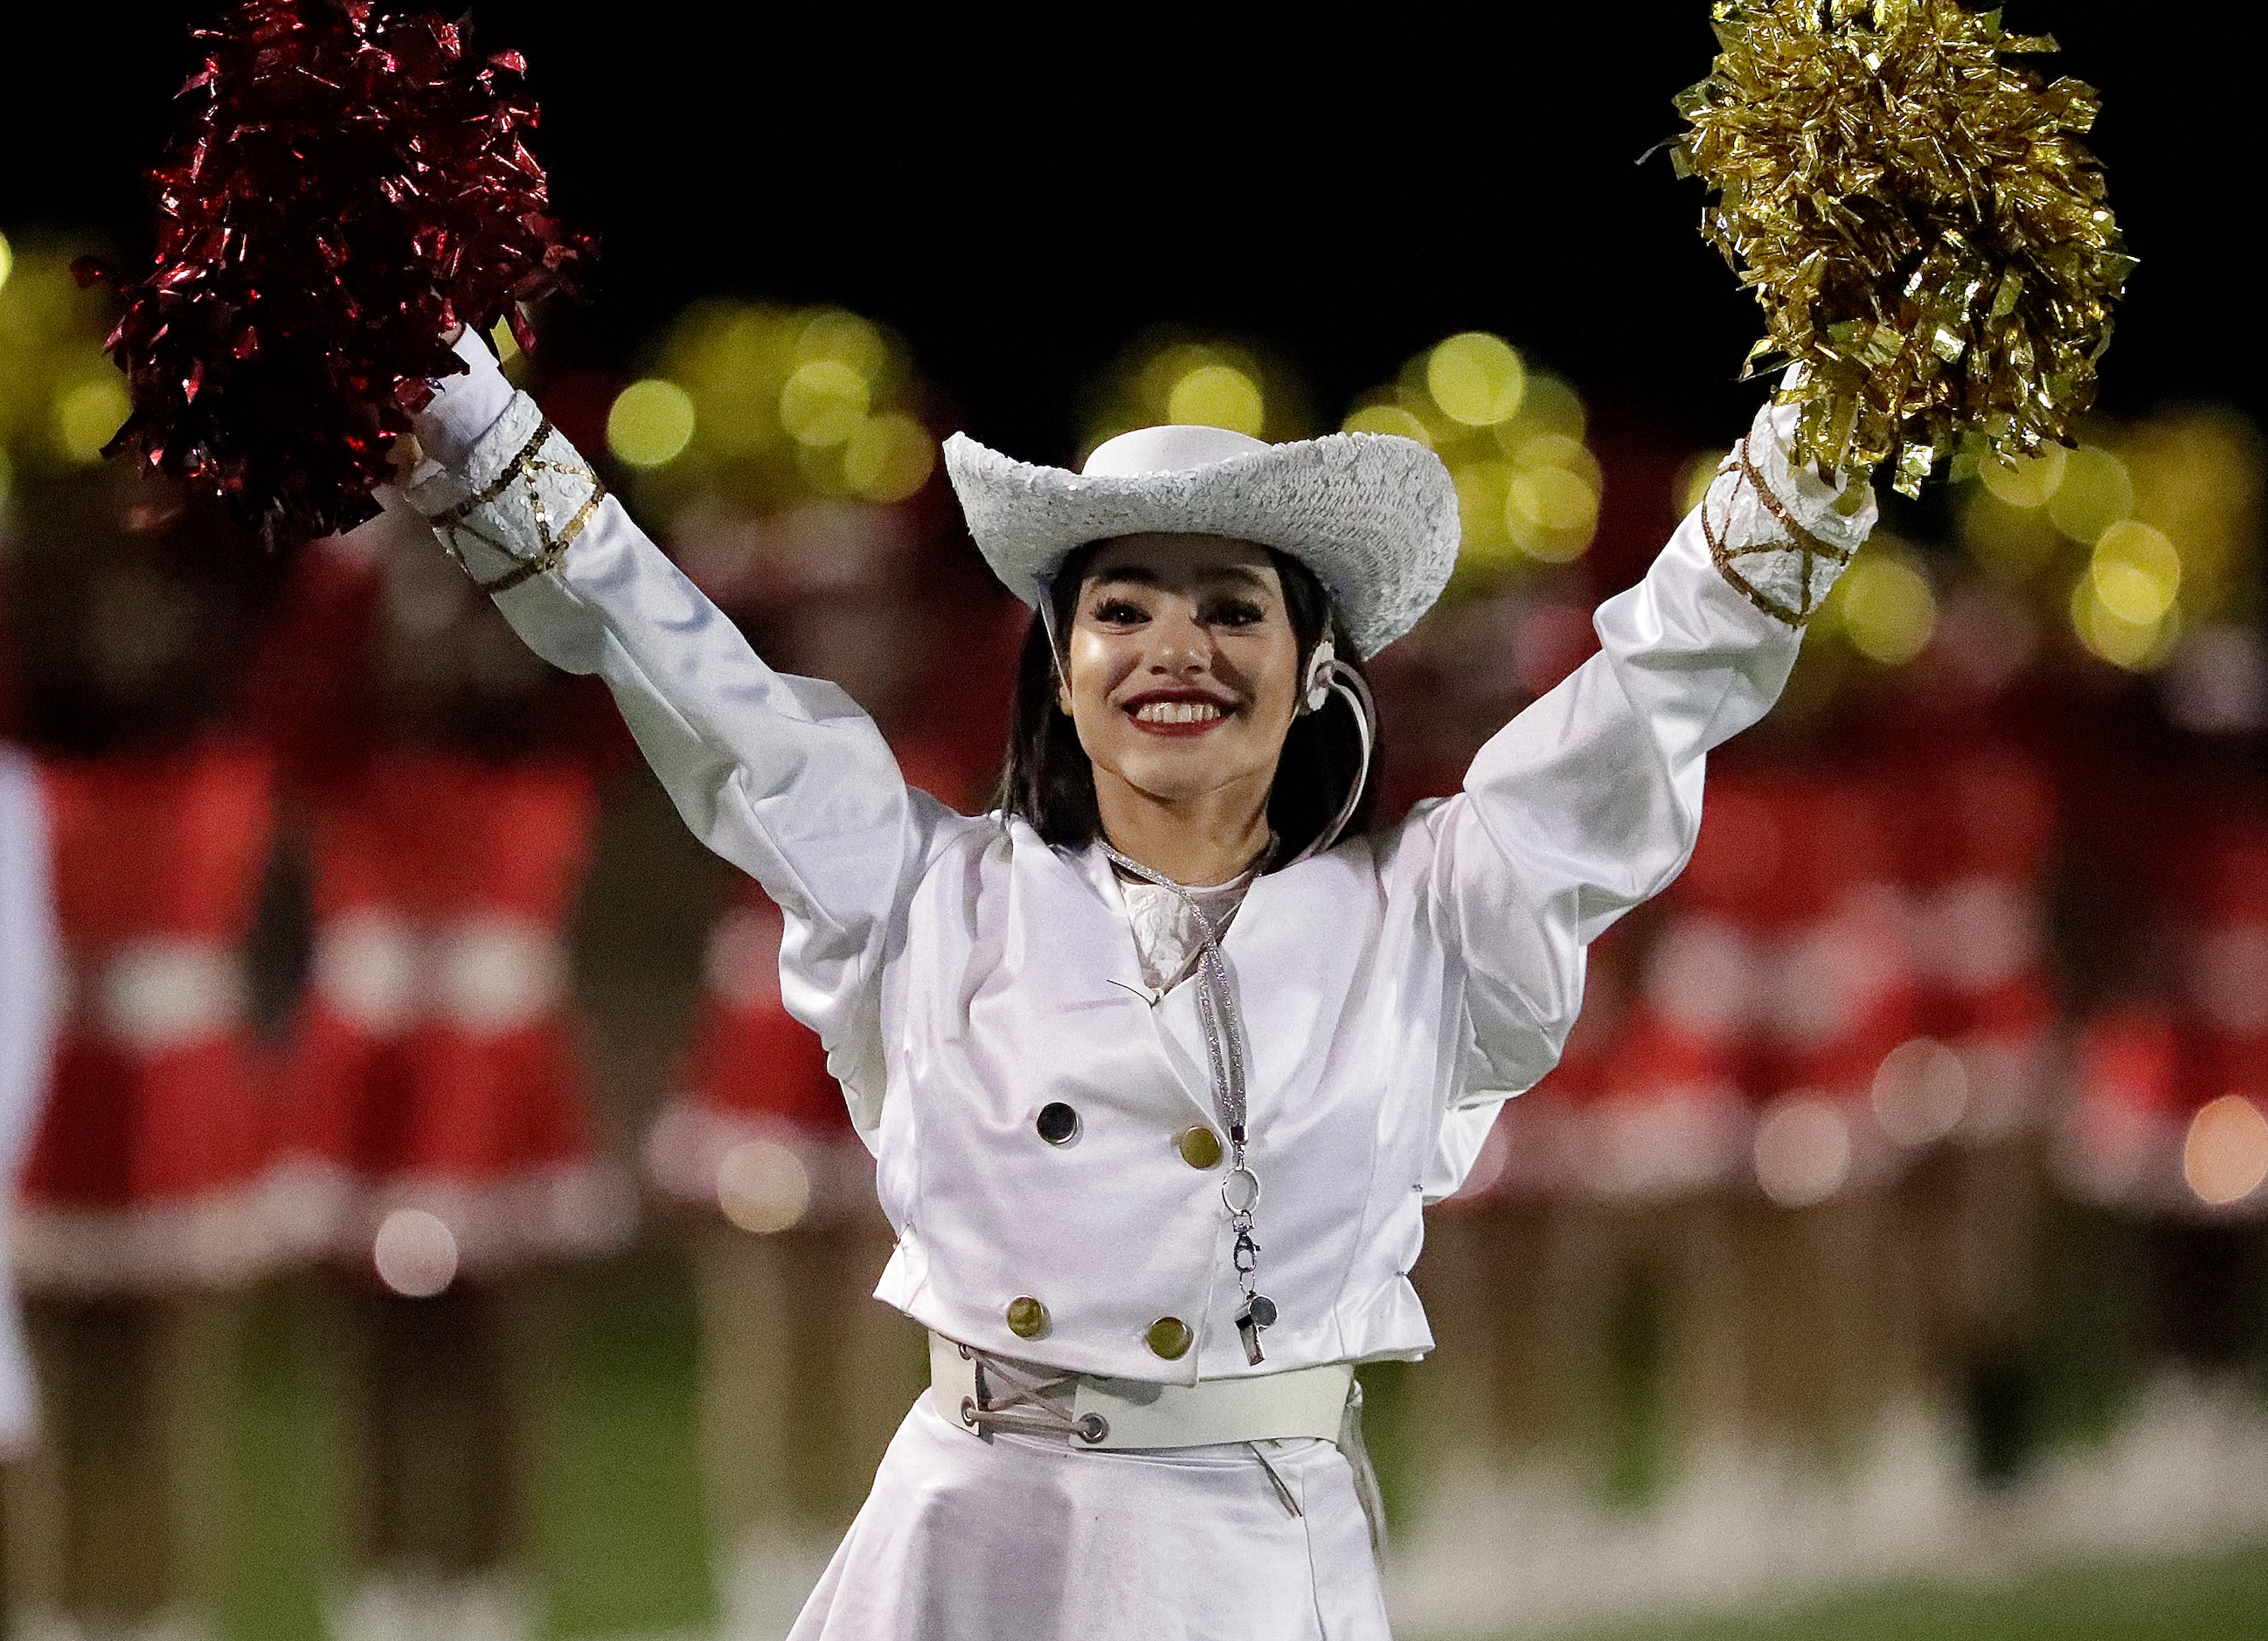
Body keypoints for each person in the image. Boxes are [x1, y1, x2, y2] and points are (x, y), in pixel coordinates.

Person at [394, 324, 1875, 1638]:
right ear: (1057, 659)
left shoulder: (1440, 910)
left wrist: (1847, 404)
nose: (1177, 648)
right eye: (1122, 608)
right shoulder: (916, 889)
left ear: (1316, 671)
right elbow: (669, 652)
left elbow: (1667, 680)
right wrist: (448, 387)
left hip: (1248, 1560)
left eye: (1234, 607)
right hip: (964, 1555)